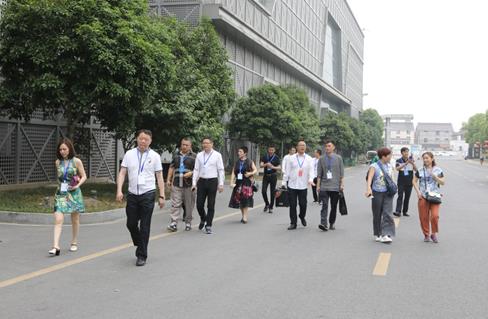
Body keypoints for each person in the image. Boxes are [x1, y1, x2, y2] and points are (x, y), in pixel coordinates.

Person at [116, 129, 165, 266]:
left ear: (150, 141)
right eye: (141, 138)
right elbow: (122, 173)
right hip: (132, 194)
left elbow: (159, 176)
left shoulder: (155, 156)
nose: (143, 141)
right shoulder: (129, 154)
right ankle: (139, 241)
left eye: (146, 139)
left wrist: (162, 195)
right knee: (130, 223)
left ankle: (142, 255)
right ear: (137, 139)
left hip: (148, 194)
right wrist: (119, 190)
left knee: (145, 225)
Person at [49, 138, 87, 256]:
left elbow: (84, 176)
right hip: (60, 193)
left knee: (75, 219)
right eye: (60, 149)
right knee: (58, 219)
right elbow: (60, 178)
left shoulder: (76, 161)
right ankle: (55, 246)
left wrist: (77, 185)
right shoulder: (57, 162)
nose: (62, 151)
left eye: (64, 149)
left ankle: (74, 242)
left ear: (69, 149)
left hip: (74, 193)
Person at [192, 137, 225, 234]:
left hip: (212, 181)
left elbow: (220, 170)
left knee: (211, 204)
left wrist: (221, 184)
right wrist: (194, 183)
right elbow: (196, 170)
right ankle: (203, 218)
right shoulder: (199, 155)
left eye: (207, 143)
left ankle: (208, 225)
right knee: (199, 204)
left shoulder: (217, 155)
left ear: (212, 144)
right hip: (201, 181)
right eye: (203, 143)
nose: (205, 145)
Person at [365, 147, 396, 244]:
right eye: (389, 155)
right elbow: (369, 179)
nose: (391, 157)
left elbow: (392, 178)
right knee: (377, 214)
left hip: (388, 193)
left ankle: (385, 234)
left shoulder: (390, 166)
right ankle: (378, 233)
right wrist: (368, 189)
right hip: (377, 192)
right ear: (383, 156)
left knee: (387, 213)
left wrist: (394, 186)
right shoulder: (374, 166)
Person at [412, 152, 445, 243]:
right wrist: (418, 192)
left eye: (427, 158)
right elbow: (414, 181)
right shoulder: (420, 170)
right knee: (423, 217)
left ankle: (433, 233)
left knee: (435, 216)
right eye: (424, 158)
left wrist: (435, 177)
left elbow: (443, 182)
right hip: (423, 196)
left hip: (435, 196)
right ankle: (426, 234)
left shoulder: (438, 170)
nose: (425, 160)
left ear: (432, 158)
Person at [282, 140, 314, 230]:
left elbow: (312, 171)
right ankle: (293, 223)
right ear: (297, 147)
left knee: (303, 204)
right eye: (300, 145)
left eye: (304, 145)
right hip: (292, 185)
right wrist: (284, 183)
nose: (302, 147)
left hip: (303, 186)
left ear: (305, 147)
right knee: (292, 205)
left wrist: (311, 179)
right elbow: (287, 171)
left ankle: (302, 216)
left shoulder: (309, 159)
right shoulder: (291, 158)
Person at [166, 138, 196, 232]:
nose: (184, 146)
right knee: (175, 204)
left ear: (190, 146)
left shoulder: (195, 156)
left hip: (189, 185)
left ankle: (188, 223)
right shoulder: (176, 155)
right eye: (183, 144)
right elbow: (171, 168)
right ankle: (174, 223)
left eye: (187, 145)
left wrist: (191, 173)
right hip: (176, 183)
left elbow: (199, 169)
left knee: (189, 204)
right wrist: (168, 180)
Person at [316, 141, 344, 231]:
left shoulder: (338, 158)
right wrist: (318, 186)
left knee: (334, 206)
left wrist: (342, 184)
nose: (327, 148)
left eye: (329, 146)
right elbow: (319, 174)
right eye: (326, 146)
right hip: (324, 186)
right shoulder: (321, 159)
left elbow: (341, 173)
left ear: (333, 147)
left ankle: (332, 222)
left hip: (335, 186)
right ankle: (323, 223)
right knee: (324, 205)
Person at [230, 146, 258, 223]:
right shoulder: (237, 162)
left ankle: (245, 217)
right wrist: (231, 182)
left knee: (245, 199)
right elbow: (233, 172)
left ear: (245, 153)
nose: (238, 153)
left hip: (247, 182)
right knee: (239, 200)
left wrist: (250, 173)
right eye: (238, 151)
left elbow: (255, 170)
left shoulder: (249, 161)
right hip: (238, 182)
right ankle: (243, 215)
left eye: (240, 152)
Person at [394, 147, 417, 217]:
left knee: (407, 197)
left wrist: (412, 163)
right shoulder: (398, 160)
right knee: (400, 196)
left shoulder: (411, 160)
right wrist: (406, 163)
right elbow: (397, 168)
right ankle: (398, 211)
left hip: (409, 181)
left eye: (407, 152)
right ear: (402, 153)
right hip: (401, 181)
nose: (407, 153)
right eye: (405, 152)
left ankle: (405, 211)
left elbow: (416, 170)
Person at [260, 145, 281, 213]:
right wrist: (266, 164)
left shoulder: (276, 157)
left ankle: (271, 207)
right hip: (266, 176)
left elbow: (279, 167)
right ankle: (267, 204)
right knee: (263, 191)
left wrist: (272, 167)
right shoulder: (265, 156)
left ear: (274, 150)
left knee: (272, 192)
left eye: (272, 150)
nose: (271, 151)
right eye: (270, 150)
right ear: (268, 150)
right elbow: (261, 165)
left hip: (273, 176)